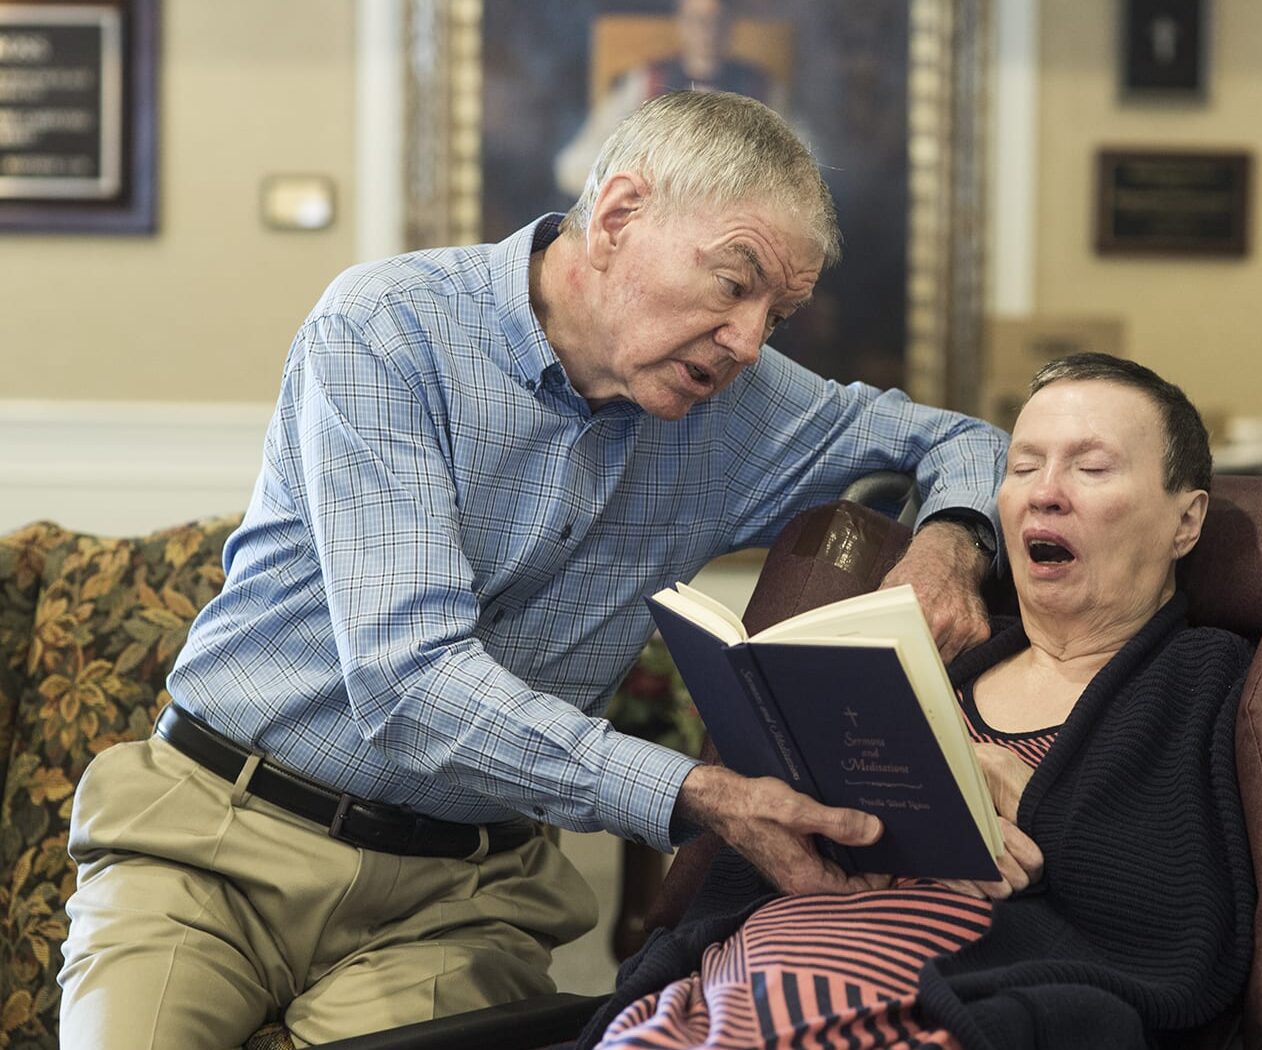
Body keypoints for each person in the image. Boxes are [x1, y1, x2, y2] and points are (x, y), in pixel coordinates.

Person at [56, 90, 1008, 1048]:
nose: (751, 340)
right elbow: (407, 683)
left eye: (780, 312)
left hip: (455, 902)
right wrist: (692, 793)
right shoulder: (389, 327)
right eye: (734, 282)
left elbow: (972, 441)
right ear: (620, 215)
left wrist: (954, 539)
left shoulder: (744, 406)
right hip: (217, 843)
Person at [579, 352, 1257, 1050]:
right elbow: (740, 878)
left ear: (1186, 520)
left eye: (1091, 468)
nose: (1044, 493)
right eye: (1023, 467)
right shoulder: (930, 656)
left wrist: (987, 783)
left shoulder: (1197, 677)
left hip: (933, 1015)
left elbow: (1178, 936)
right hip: (714, 1000)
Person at [555, 0, 788, 196]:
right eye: (697, 20)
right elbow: (575, 165)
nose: (707, 30)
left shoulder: (763, 88)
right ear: (682, 24)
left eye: (716, 19)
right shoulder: (644, 83)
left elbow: (800, 163)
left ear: (730, 24)